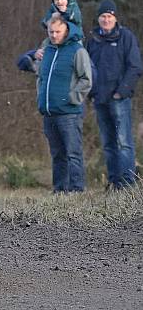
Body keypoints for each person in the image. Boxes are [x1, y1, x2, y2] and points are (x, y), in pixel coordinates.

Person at [85, 0, 142, 189]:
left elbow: (135, 67)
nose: (106, 19)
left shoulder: (126, 37)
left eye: (109, 16)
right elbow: (87, 69)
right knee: (108, 144)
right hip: (99, 100)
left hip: (119, 99)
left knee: (123, 142)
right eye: (102, 16)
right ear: (98, 18)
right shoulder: (93, 40)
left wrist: (121, 92)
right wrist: (91, 93)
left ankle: (128, 184)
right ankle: (114, 182)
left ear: (115, 17)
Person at [37, 14, 92, 193]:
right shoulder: (48, 50)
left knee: (73, 154)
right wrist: (41, 97)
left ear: (66, 29)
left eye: (57, 31)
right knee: (57, 155)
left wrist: (71, 98)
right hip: (49, 112)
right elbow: (41, 77)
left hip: (69, 113)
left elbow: (86, 80)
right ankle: (59, 190)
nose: (53, 35)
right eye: (51, 31)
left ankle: (77, 190)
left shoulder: (77, 50)